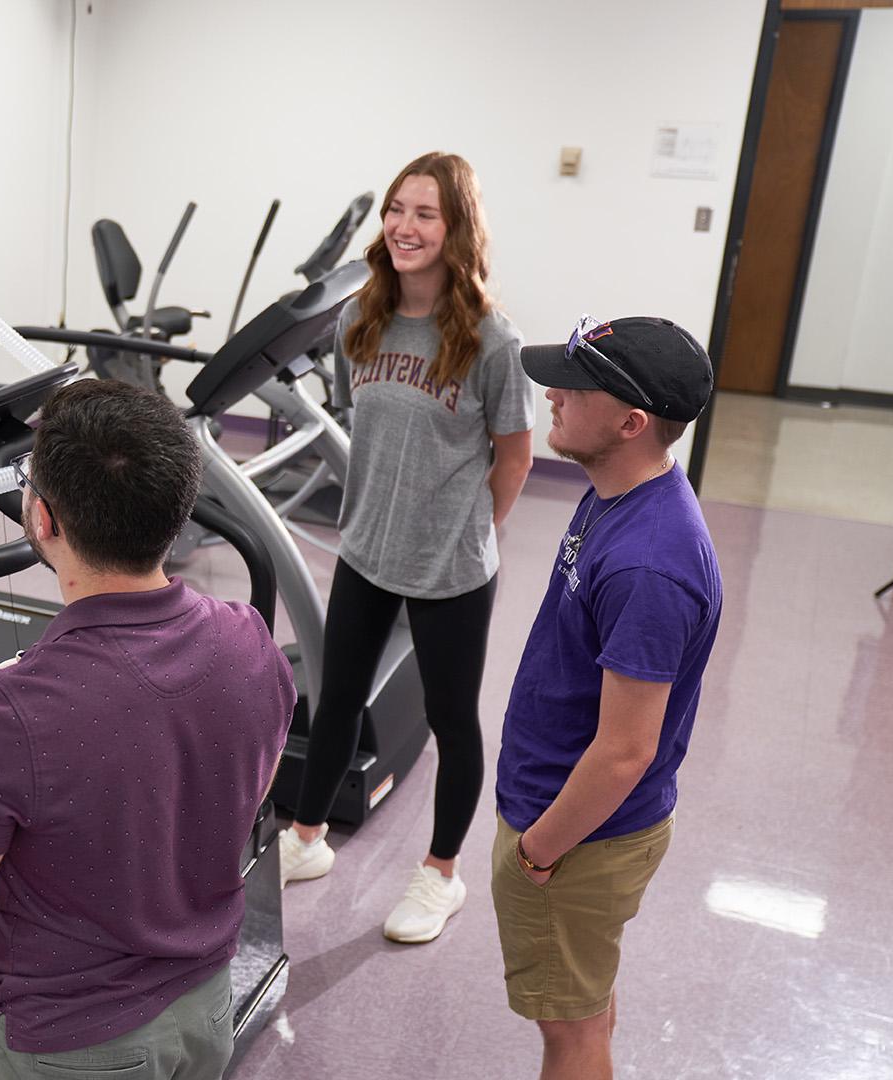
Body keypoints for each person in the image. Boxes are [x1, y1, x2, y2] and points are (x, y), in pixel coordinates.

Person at [0, 380, 294, 1080]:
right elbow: (246, 786)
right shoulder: (250, 641)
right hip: (206, 1008)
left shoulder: (8, 711)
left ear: (41, 518)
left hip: (74, 1047)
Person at [277, 152, 535, 945]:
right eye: (397, 209)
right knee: (337, 698)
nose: (405, 226)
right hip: (365, 551)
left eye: (426, 213)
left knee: (454, 721)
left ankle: (441, 875)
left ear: (456, 229)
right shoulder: (364, 321)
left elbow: (515, 455)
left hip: (453, 567)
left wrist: (468, 532)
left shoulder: (492, 340)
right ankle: (309, 838)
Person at [492, 315, 720, 1080]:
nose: (552, 393)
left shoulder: (649, 566)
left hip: (576, 838)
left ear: (631, 422)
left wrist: (537, 852)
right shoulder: (620, 492)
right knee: (584, 1005)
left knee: (571, 1034)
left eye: (575, 386)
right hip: (568, 818)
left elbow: (626, 751)